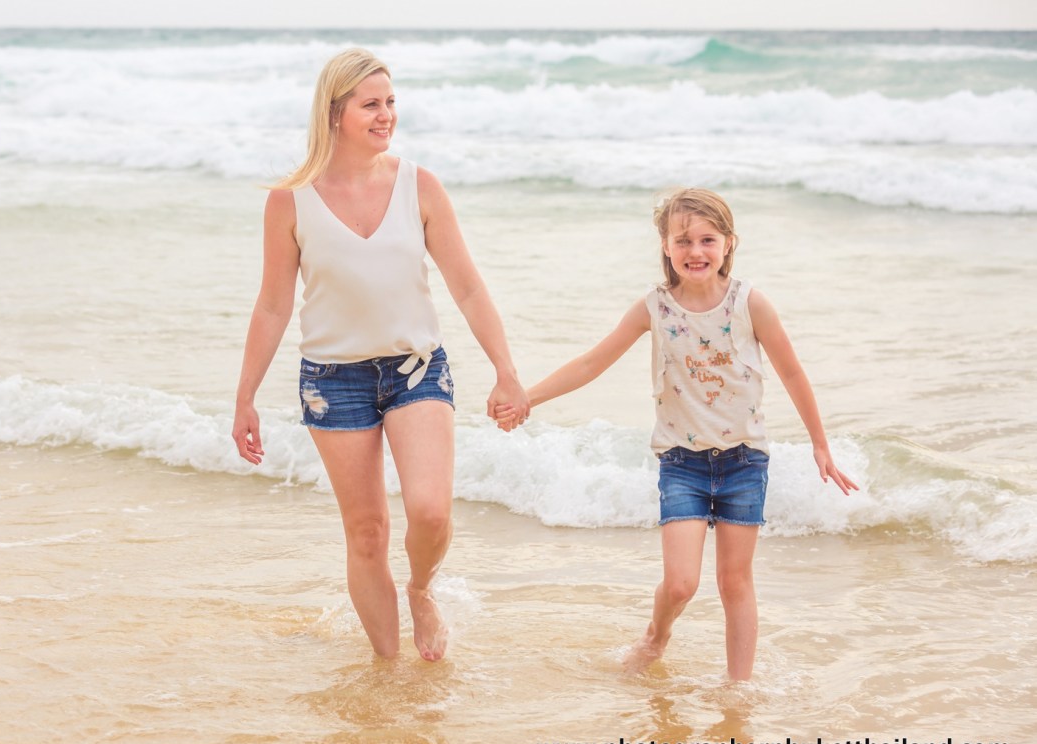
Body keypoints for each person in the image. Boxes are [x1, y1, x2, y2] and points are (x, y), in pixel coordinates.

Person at [231, 48, 530, 663]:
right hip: (330, 381)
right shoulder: (290, 201)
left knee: (429, 510)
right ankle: (388, 670)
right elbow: (271, 306)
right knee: (366, 532)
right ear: (336, 112)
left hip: (416, 369)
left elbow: (467, 285)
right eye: (372, 104)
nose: (386, 115)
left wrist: (506, 370)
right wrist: (245, 397)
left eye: (390, 102)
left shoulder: (419, 185)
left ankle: (421, 588)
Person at [501, 188, 857, 680]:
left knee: (735, 584)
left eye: (707, 240)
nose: (696, 251)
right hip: (683, 465)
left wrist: (821, 443)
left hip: (744, 461)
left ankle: (739, 689)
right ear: (666, 246)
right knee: (682, 583)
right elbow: (592, 362)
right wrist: (528, 398)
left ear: (729, 244)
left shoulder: (750, 303)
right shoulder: (655, 307)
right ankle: (657, 635)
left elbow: (793, 373)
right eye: (683, 240)